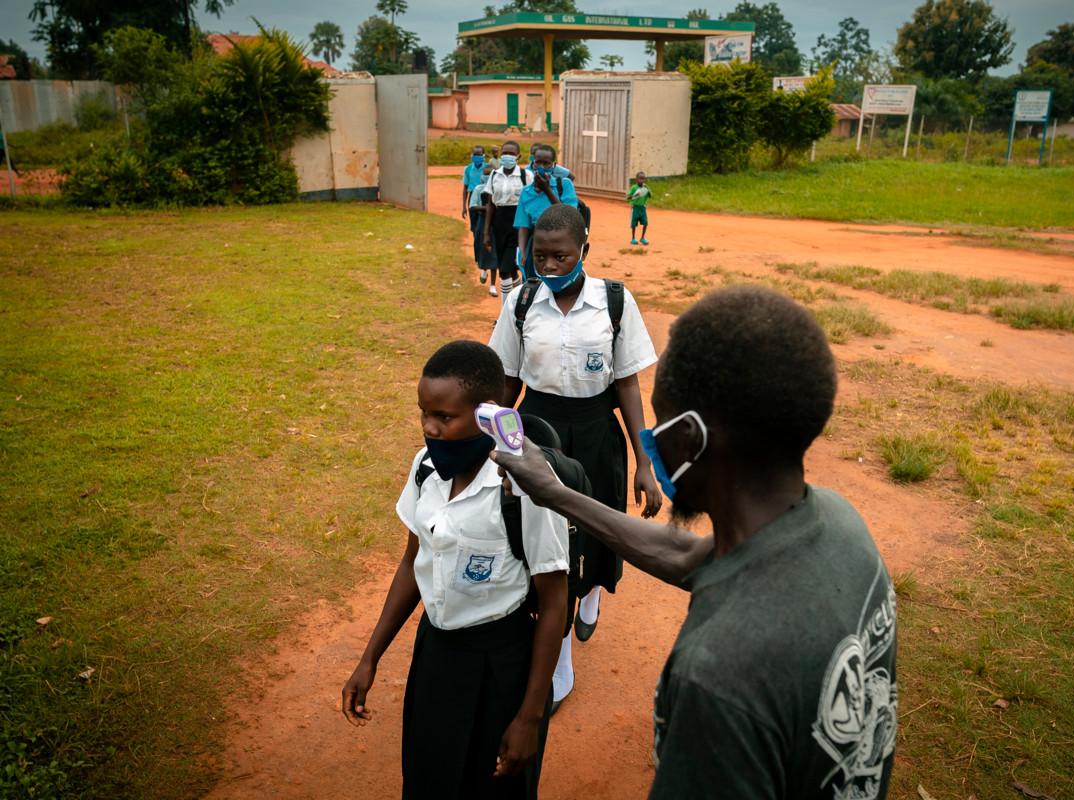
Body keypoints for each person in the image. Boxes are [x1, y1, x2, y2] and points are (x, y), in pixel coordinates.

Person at [494, 286, 898, 800]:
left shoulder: (716, 677)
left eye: (661, 421)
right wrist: (555, 493)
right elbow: (687, 554)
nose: (652, 437)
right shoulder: (838, 525)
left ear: (691, 439)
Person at [341, 341, 569, 800]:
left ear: (489, 413)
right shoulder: (425, 468)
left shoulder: (526, 485)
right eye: (424, 413)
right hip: (437, 657)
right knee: (430, 780)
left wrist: (529, 717)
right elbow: (412, 563)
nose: (430, 427)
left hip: (503, 664)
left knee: (495, 790)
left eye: (445, 417)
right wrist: (370, 657)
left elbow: (555, 600)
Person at [488, 204, 663, 713]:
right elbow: (509, 381)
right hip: (540, 432)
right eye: (540, 255)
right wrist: (495, 443)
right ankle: (559, 663)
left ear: (584, 250)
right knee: (546, 543)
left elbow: (627, 382)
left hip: (596, 433)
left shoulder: (613, 301)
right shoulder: (520, 303)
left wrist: (644, 462)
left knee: (597, 528)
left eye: (562, 255)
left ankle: (591, 595)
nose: (550, 264)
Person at [514, 145, 578, 281]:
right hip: (537, 244)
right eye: (538, 162)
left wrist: (547, 190)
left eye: (546, 163)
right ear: (533, 164)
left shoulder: (564, 185)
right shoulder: (526, 192)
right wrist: (523, 253)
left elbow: (568, 215)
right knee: (534, 283)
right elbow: (524, 227)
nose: (542, 166)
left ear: (553, 165)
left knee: (558, 282)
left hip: (562, 242)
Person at [483, 141, 533, 304]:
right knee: (510, 270)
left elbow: (530, 201)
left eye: (511, 154)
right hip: (499, 222)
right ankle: (520, 294)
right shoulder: (494, 175)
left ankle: (505, 313)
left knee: (504, 270)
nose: (507, 156)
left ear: (518, 156)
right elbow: (490, 205)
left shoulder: (526, 176)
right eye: (505, 152)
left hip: (519, 223)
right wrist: (486, 232)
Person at [470, 165, 499, 296]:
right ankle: (483, 269)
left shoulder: (498, 189)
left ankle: (493, 285)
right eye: (485, 174)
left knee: (494, 253)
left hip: (495, 224)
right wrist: (486, 209)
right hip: (482, 223)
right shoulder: (478, 189)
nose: (487, 177)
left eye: (489, 174)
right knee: (482, 248)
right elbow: (473, 206)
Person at [462, 145, 487, 221]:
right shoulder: (468, 169)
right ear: (472, 155)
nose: (477, 157)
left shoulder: (488, 168)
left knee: (484, 221)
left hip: (484, 196)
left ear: (483, 155)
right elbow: (465, 188)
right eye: (475, 154)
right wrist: (464, 206)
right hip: (472, 197)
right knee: (473, 222)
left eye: (479, 155)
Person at [626, 171, 651, 246]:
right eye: (640, 179)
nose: (642, 180)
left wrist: (647, 189)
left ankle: (642, 238)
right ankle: (633, 238)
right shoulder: (634, 188)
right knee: (634, 224)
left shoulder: (645, 188)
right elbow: (628, 197)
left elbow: (650, 195)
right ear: (636, 180)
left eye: (643, 179)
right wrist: (634, 196)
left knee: (645, 223)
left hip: (642, 208)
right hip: (635, 208)